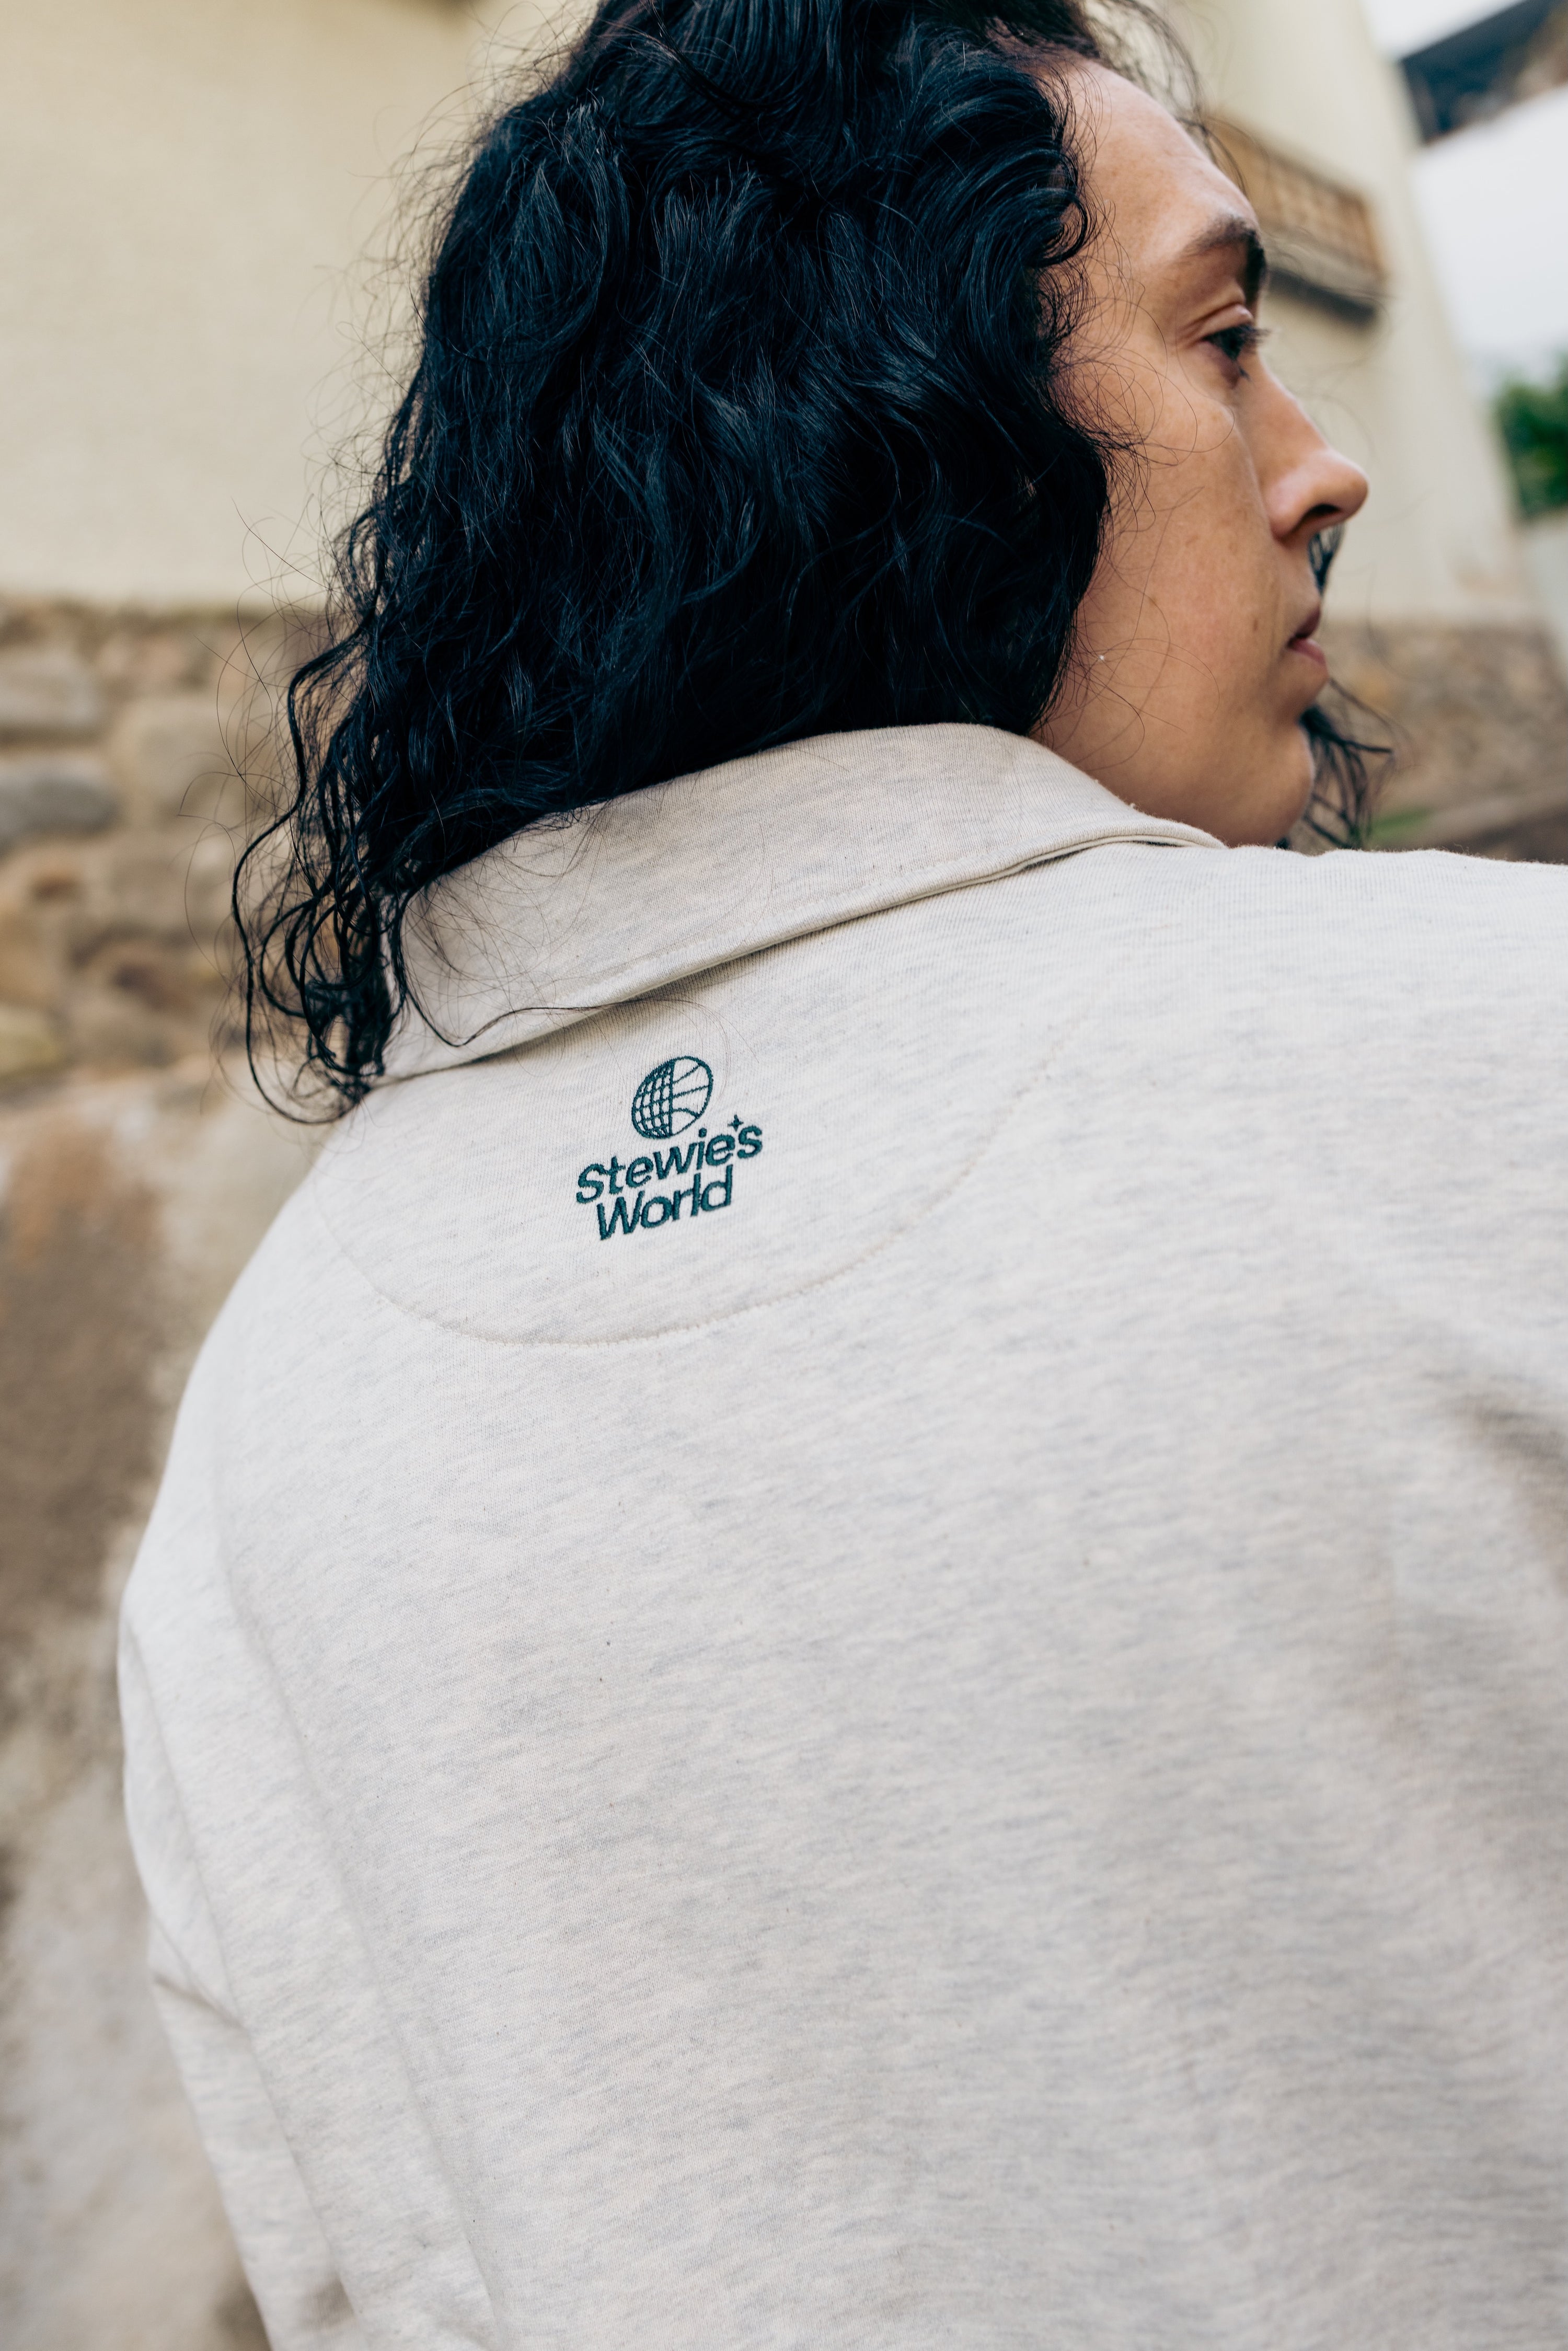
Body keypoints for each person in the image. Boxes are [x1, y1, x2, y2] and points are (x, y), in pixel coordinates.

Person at [120, 1, 1568, 2343]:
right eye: (1222, 342)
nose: (1321, 467)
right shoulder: (1504, 1062)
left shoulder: (274, 1405)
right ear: (904, 419)